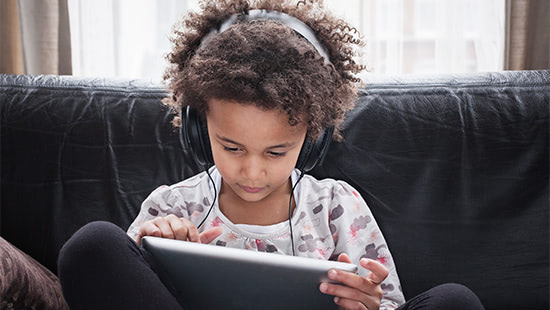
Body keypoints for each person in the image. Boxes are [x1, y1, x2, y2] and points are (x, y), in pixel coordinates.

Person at [57, 1, 485, 309]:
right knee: (93, 245)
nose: (253, 170)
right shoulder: (173, 207)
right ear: (197, 127)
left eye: (277, 151)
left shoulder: (337, 206)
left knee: (455, 301)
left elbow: (388, 300)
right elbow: (118, 284)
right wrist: (152, 252)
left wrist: (369, 305)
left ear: (312, 139)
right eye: (232, 147)